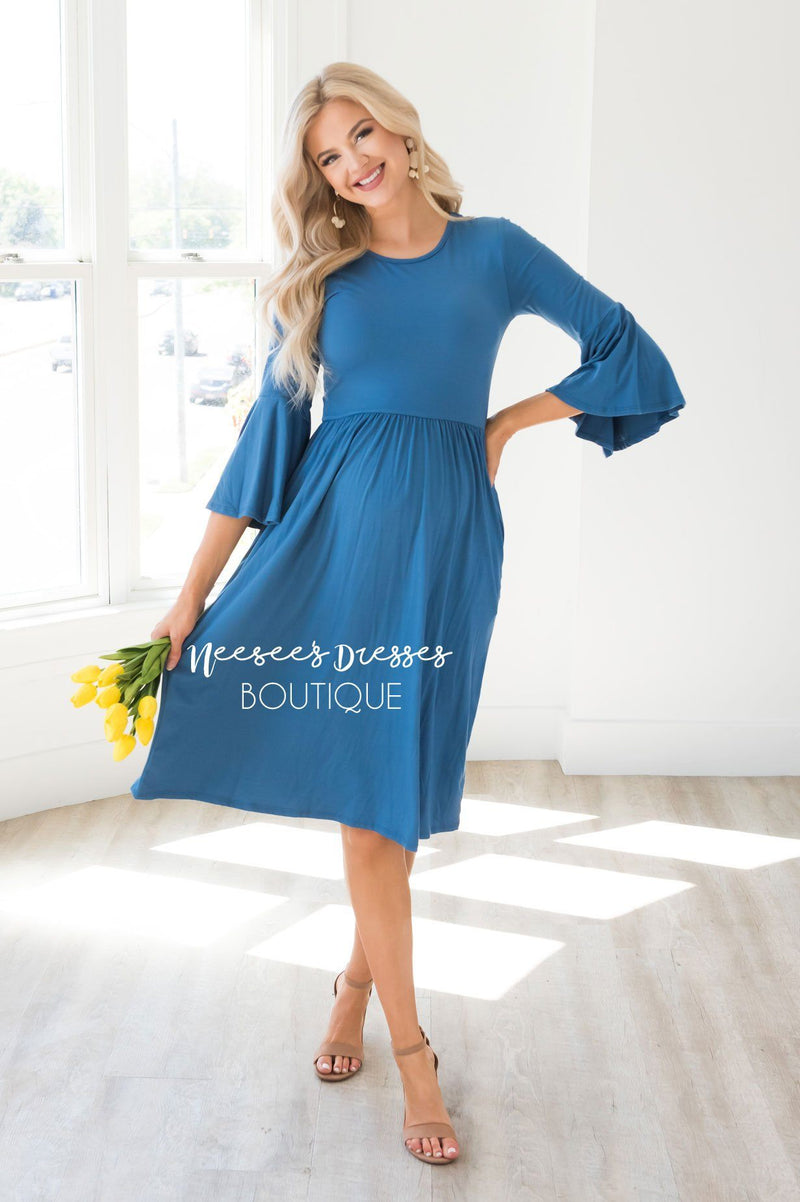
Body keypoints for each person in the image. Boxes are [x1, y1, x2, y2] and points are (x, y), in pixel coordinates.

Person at [130, 61, 686, 1166]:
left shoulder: (496, 252)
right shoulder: (321, 285)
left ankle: (351, 987)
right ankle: (411, 1050)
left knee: (391, 786)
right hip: (331, 552)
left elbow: (626, 347)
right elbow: (264, 450)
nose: (352, 164)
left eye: (361, 136)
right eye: (328, 158)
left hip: (444, 549)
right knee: (370, 802)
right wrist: (190, 595)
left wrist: (507, 422)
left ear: (399, 130)